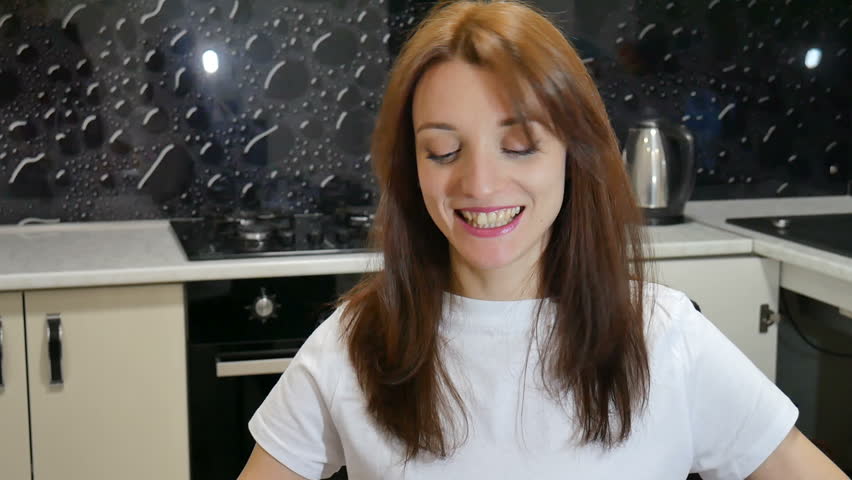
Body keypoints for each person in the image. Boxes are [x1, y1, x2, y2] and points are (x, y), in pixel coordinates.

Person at [238, 1, 848, 479]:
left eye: (520, 145)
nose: (478, 183)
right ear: (411, 166)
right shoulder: (354, 344)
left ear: (571, 156)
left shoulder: (664, 337)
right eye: (442, 150)